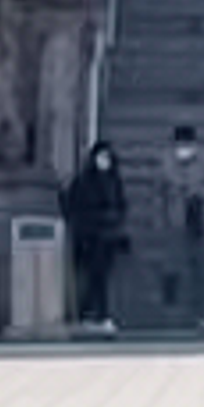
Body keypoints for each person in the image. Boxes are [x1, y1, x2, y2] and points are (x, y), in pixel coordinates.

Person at [60, 135, 130, 338]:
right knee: (92, 277)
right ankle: (91, 314)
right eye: (101, 156)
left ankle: (97, 314)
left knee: (100, 278)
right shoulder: (84, 180)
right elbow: (72, 205)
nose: (104, 161)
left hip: (107, 238)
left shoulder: (114, 180)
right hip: (88, 237)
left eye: (107, 157)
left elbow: (122, 205)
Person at [165, 122, 204, 328]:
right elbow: (159, 190)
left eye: (186, 144)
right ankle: (172, 313)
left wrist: (197, 191)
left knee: (201, 271)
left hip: (201, 220)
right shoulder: (167, 162)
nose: (183, 149)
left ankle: (201, 316)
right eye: (180, 144)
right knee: (173, 268)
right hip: (176, 220)